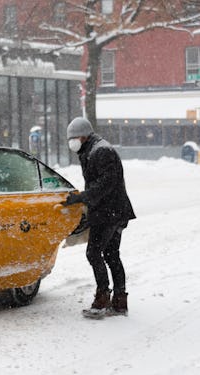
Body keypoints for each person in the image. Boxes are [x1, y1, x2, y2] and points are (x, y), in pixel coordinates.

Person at [62, 117, 136, 319]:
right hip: (112, 210)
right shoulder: (91, 149)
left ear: (84, 136)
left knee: (94, 253)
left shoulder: (101, 151)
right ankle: (119, 301)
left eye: (74, 138)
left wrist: (81, 198)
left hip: (109, 212)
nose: (72, 142)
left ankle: (102, 298)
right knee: (111, 254)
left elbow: (105, 184)